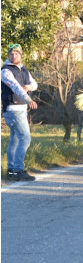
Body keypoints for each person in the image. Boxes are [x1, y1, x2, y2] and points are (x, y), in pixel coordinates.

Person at [1, 44, 38, 181]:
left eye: (16, 53)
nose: (13, 56)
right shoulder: (5, 71)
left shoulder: (23, 69)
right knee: (25, 138)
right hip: (13, 109)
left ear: (21, 55)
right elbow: (15, 87)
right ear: (8, 55)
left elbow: (34, 84)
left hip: (21, 110)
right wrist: (28, 99)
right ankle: (18, 170)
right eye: (11, 53)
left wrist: (29, 86)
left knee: (15, 140)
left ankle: (11, 171)